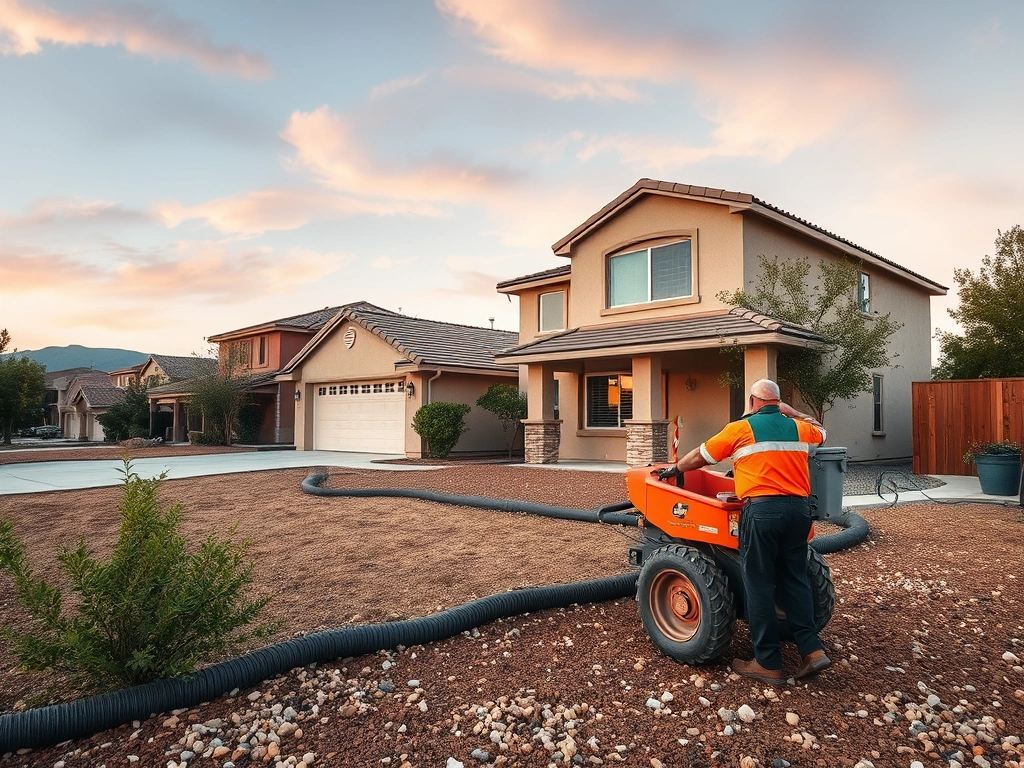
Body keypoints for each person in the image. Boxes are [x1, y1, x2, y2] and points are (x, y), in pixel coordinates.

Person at [660, 378, 831, 685]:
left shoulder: (740, 429)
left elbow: (701, 456)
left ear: (752, 402)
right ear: (777, 403)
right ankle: (811, 650)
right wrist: (790, 410)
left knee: (759, 583)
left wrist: (675, 470)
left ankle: (767, 663)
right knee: (795, 577)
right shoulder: (800, 428)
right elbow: (821, 430)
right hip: (799, 512)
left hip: (763, 512)